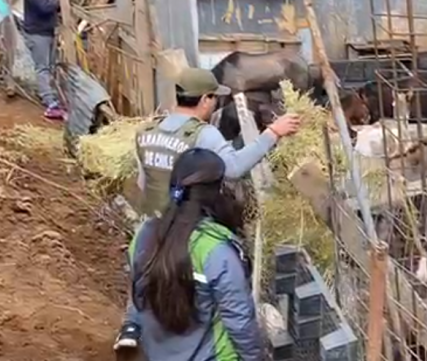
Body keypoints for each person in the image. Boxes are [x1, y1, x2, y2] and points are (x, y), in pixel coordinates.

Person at [116, 67, 301, 350]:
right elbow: (234, 168)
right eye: (214, 98)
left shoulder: (147, 131)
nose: (215, 104)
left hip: (151, 224)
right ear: (204, 99)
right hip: (185, 228)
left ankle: (132, 326)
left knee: (147, 274)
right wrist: (272, 134)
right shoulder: (204, 135)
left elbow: (144, 181)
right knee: (190, 288)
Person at [128, 148, 265, 360]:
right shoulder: (216, 250)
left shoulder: (144, 236)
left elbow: (137, 298)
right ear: (216, 191)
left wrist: (130, 327)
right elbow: (239, 320)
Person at [21, 0, 64, 120]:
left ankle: (49, 96)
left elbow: (53, 7)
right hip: (37, 34)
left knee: (50, 67)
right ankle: (49, 103)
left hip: (47, 33)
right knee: (43, 68)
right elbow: (45, 8)